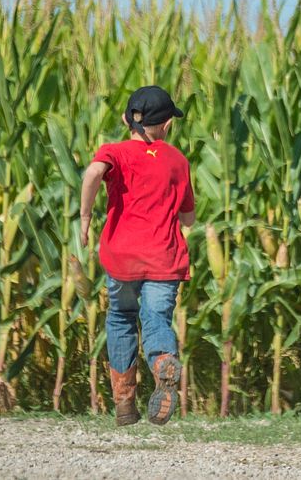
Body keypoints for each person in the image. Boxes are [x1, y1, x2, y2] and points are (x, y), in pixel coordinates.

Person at [80, 85, 196, 426]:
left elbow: (92, 173)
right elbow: (188, 218)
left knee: (121, 318)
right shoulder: (177, 160)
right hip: (164, 258)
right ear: (167, 125)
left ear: (125, 119)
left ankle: (124, 404)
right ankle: (162, 363)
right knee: (156, 318)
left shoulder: (114, 152)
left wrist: (86, 217)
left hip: (122, 257)